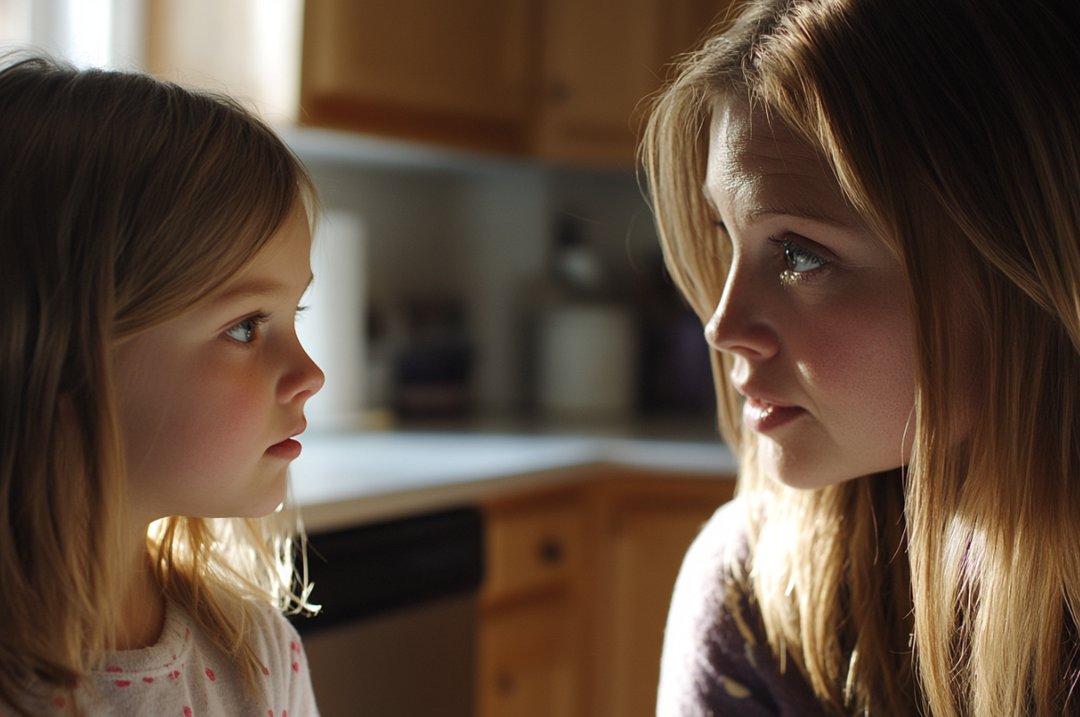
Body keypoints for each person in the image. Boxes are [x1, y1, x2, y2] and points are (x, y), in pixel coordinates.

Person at [641, 0, 1080, 714]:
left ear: (1018, 267)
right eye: (727, 236)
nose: (722, 326)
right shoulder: (755, 601)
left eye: (797, 253)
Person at [0, 54, 325, 715]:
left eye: (296, 315)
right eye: (245, 327)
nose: (311, 374)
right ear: (61, 356)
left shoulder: (259, 657)